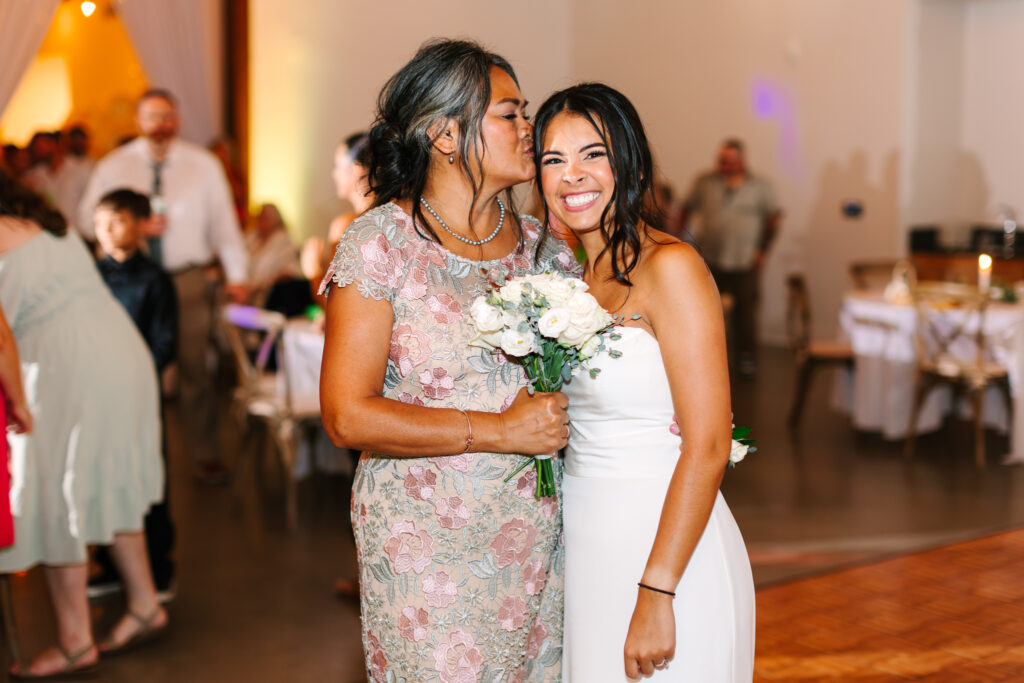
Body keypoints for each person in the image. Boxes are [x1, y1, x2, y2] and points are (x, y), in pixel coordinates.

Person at [319, 39, 579, 682]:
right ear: (443, 133)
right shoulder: (382, 243)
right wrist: (498, 431)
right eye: (510, 114)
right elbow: (347, 416)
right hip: (425, 541)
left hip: (540, 536)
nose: (529, 130)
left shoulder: (548, 251)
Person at [534, 83, 754, 681]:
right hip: (586, 546)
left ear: (628, 161)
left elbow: (708, 445)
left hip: (666, 553)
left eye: (592, 154)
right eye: (553, 159)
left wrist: (658, 592)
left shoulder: (671, 267)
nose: (571, 175)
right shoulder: (568, 281)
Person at [0, 170, 167, 679]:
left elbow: (1, 338)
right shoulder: (41, 220)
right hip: (119, 352)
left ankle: (75, 641)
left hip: (63, 367)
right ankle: (144, 603)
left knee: (57, 496)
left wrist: (18, 401)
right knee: (105, 480)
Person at [78, 89, 250, 482]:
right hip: (130, 279)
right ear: (139, 121)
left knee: (194, 368)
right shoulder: (113, 165)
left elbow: (225, 224)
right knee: (126, 365)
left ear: (178, 120)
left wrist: (237, 275)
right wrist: (129, 227)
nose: (160, 125)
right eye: (152, 117)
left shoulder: (203, 165)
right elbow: (85, 218)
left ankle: (206, 454)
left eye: (167, 117)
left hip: (185, 279)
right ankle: (124, 457)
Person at [93, 188, 179, 602]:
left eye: (116, 220)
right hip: (97, 395)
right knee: (103, 476)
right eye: (99, 223)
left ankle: (159, 567)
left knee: (146, 477)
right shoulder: (91, 277)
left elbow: (165, 342)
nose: (106, 231)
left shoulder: (155, 280)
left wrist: (131, 375)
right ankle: (110, 564)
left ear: (139, 223)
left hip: (139, 394)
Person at [680, 138, 781, 378]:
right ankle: (709, 358)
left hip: (744, 259)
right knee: (707, 310)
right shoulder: (705, 182)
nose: (724, 165)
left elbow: (773, 220)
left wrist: (762, 250)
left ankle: (746, 359)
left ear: (741, 161)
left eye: (729, 161)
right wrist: (681, 241)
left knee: (746, 312)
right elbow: (685, 209)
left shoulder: (760, 186)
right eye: (721, 160)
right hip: (711, 258)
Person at [300, 131, 374, 297]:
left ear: (356, 168)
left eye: (337, 166)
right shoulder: (395, 217)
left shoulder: (347, 225)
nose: (334, 174)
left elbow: (336, 308)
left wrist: (313, 271)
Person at [245, 202, 302, 307]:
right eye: (260, 216)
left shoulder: (283, 241)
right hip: (245, 294)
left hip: (268, 298)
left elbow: (290, 271)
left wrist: (264, 284)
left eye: (265, 217)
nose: (261, 220)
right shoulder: (251, 237)